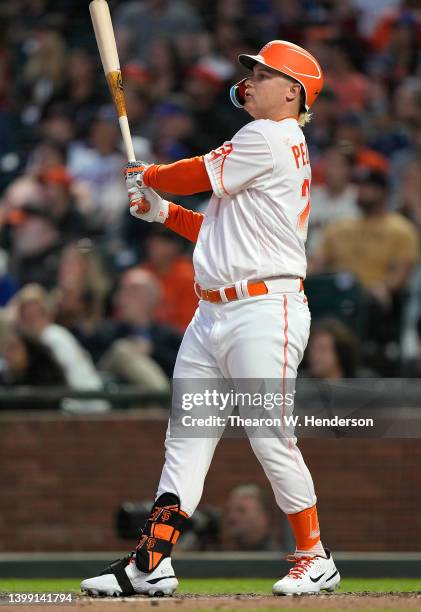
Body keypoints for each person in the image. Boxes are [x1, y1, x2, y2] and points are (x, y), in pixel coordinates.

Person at [81, 40, 340, 597]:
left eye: (264, 74)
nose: (250, 80)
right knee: (186, 440)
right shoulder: (264, 144)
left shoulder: (270, 136)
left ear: (293, 91)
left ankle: (314, 555)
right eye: (251, 71)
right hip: (215, 310)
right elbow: (219, 234)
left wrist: (148, 174)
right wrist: (161, 210)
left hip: (264, 310)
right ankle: (153, 560)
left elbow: (194, 172)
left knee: (269, 434)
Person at [220, 485, 280, 551]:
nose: (231, 517)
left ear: (263, 517)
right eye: (228, 511)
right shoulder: (222, 552)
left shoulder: (279, 555)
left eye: (241, 510)